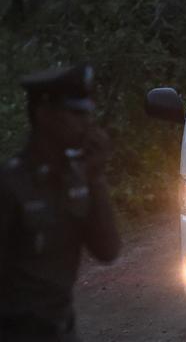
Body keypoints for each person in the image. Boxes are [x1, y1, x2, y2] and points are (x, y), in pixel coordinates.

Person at [0, 64, 121, 341]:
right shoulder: (10, 184)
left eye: (87, 114)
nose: (85, 124)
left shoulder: (78, 179)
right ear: (44, 114)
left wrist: (96, 177)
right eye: (75, 114)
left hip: (62, 330)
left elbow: (107, 250)